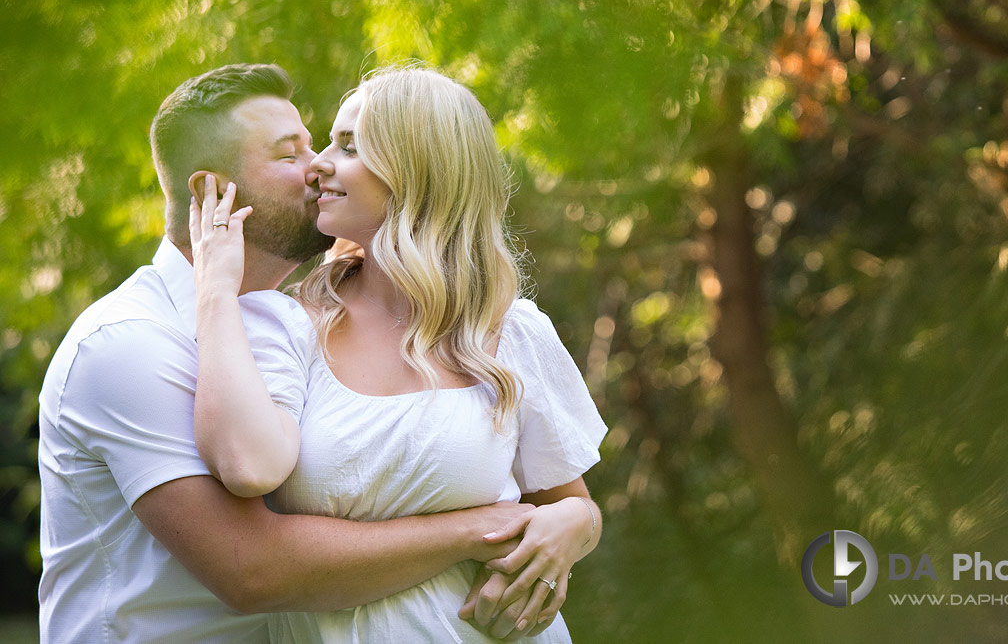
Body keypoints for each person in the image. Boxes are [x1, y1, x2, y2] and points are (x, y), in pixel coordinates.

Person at [38, 64, 543, 643]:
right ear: (212, 193)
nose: (320, 166)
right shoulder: (130, 345)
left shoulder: (289, 327)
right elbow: (253, 569)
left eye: (321, 144)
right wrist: (481, 529)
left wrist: (573, 519)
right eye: (289, 156)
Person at [189, 64, 607, 642]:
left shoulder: (512, 331)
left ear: (416, 170)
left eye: (349, 146)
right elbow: (246, 467)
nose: (318, 165)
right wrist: (213, 290)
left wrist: (574, 525)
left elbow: (573, 504)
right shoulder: (284, 325)